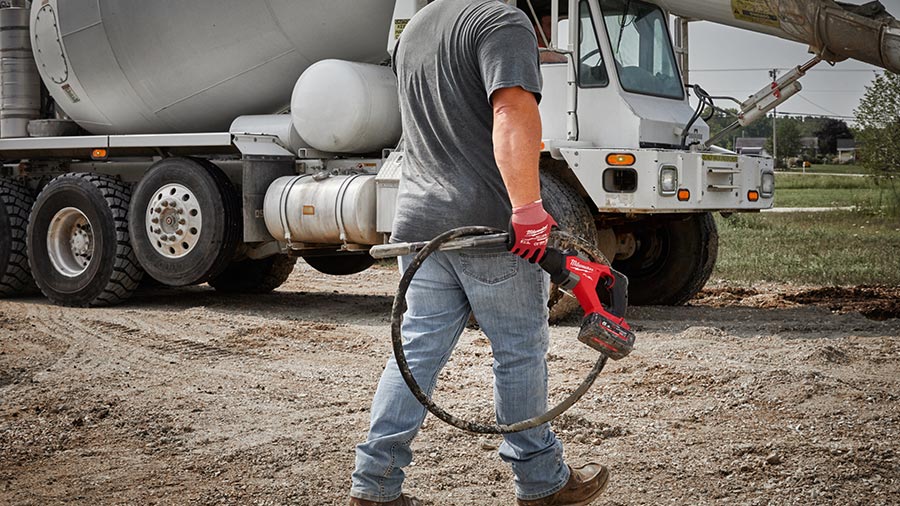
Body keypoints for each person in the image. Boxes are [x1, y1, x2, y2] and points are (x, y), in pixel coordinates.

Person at [349, 1, 609, 505]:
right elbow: (511, 110)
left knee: (416, 352)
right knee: (518, 352)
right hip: (488, 226)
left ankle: (374, 484)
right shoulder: (501, 21)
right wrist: (528, 208)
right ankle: (540, 481)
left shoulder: (416, 28)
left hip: (421, 224)